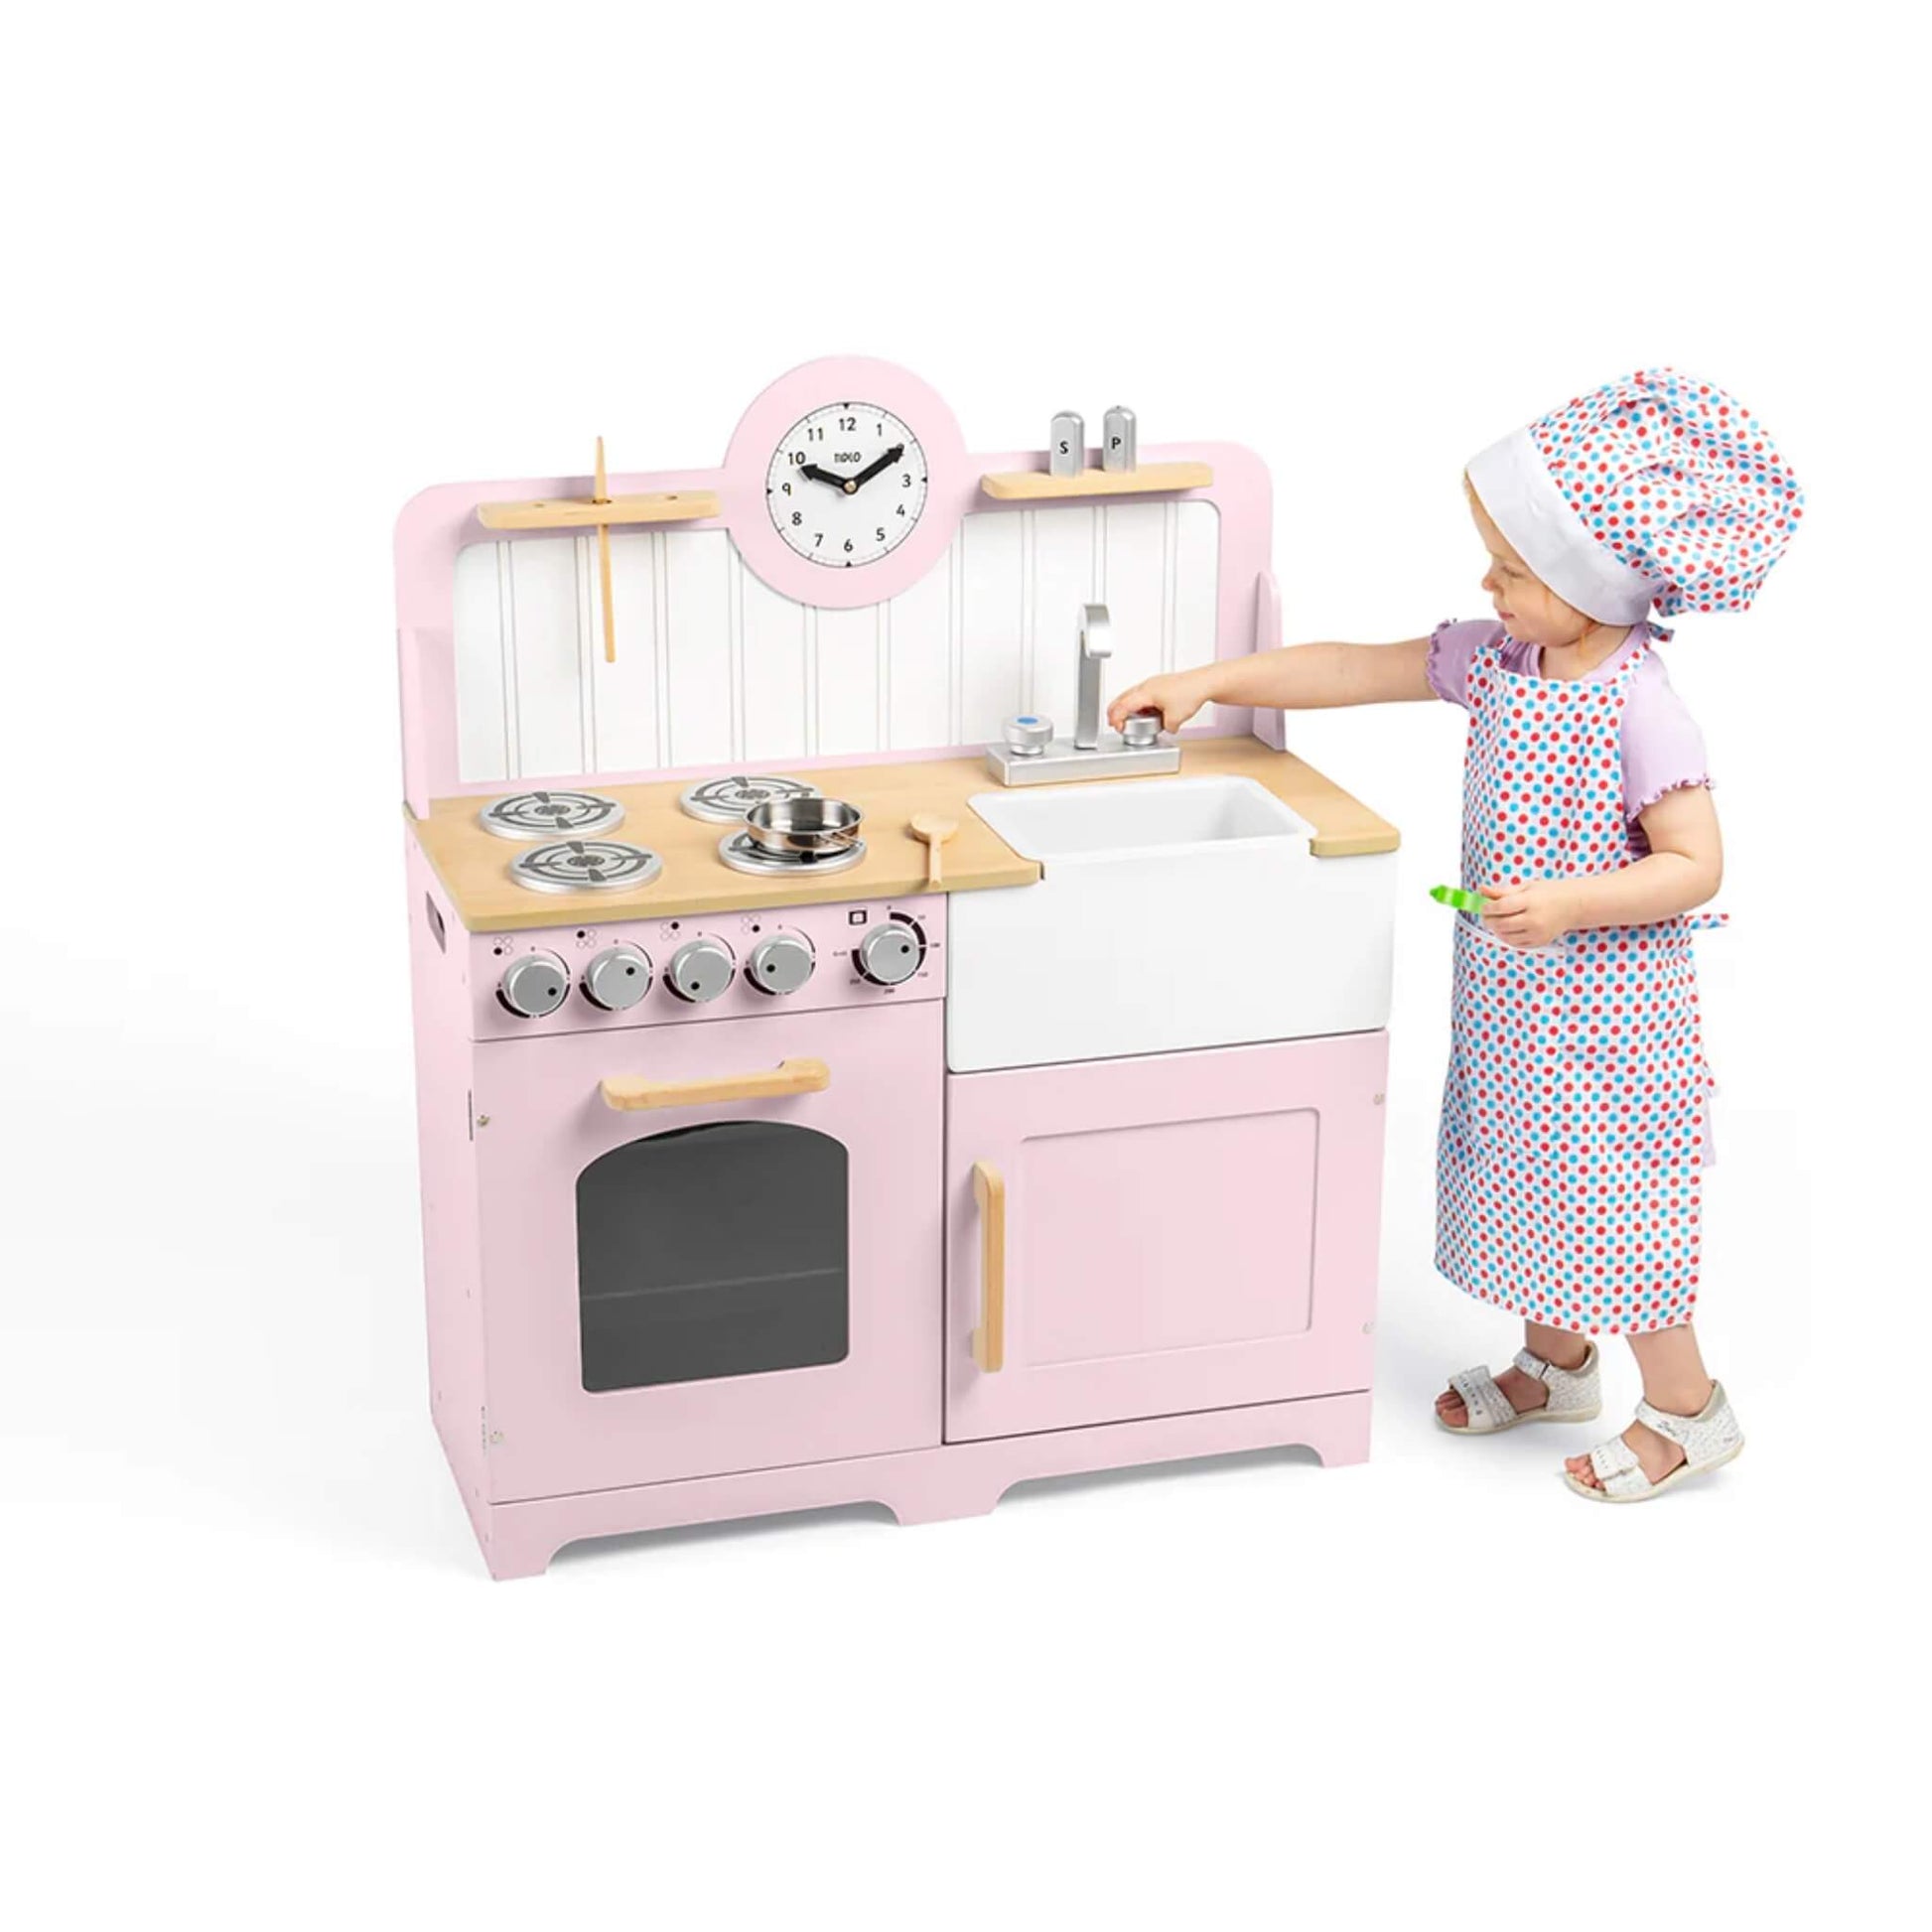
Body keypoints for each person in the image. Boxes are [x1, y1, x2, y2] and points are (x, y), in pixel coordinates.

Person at [1108, 369, 1804, 1502]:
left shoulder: (1638, 701)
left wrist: (1572, 901)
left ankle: (1688, 1410)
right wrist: (1208, 680)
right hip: (1512, 1000)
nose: (1488, 584)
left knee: (1611, 1203)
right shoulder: (1494, 658)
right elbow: (1352, 665)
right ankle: (1558, 1360)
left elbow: (1694, 862)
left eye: (1513, 570)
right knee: (1525, 1179)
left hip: (1609, 1023)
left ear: (1593, 585)